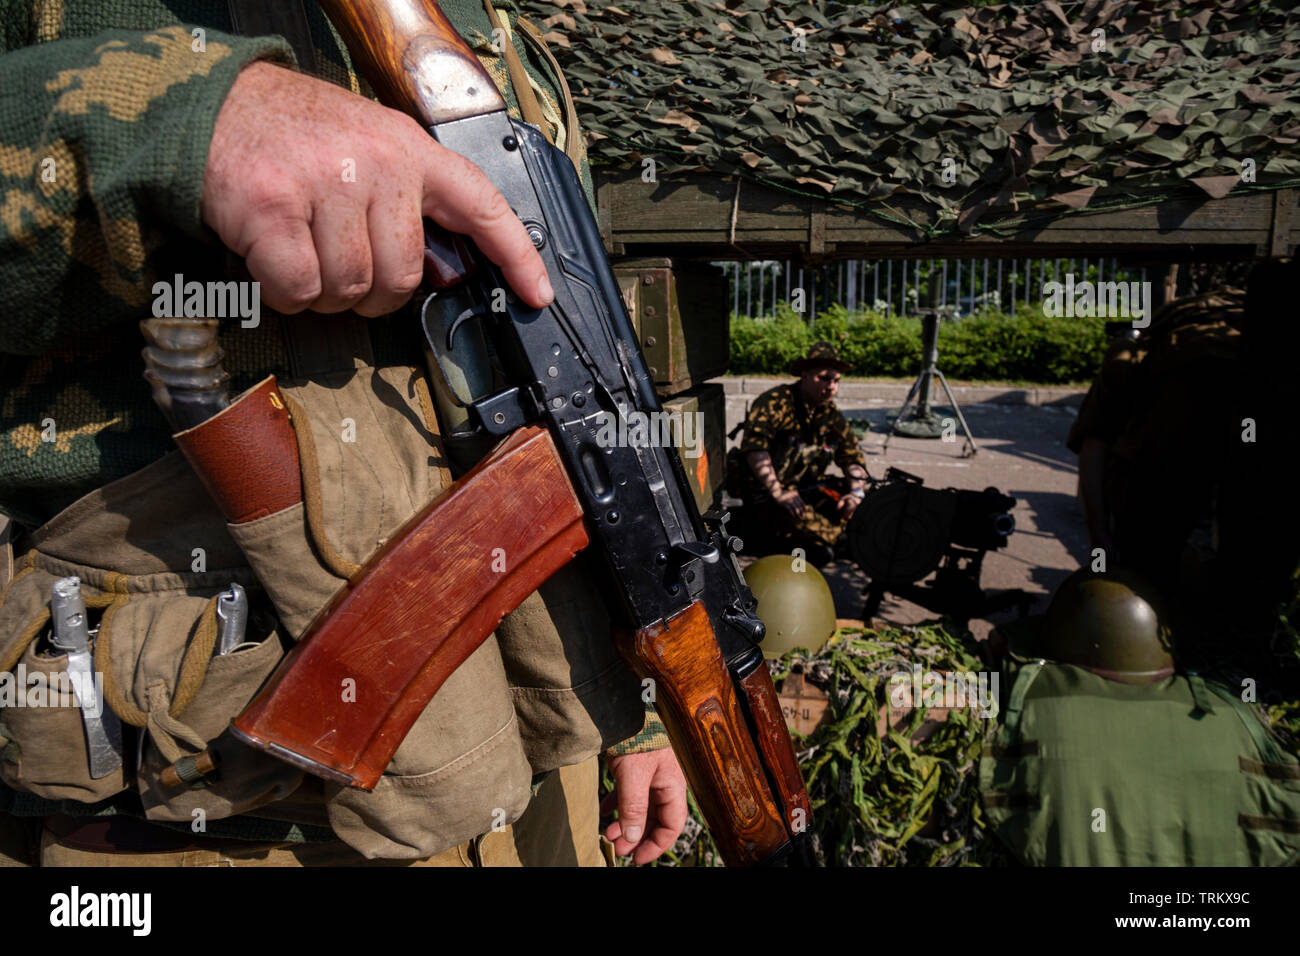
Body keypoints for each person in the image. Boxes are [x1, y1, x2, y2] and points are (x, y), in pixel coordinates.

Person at [0, 1, 684, 867]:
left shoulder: (489, 29)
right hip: (221, 804)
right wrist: (187, 129)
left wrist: (644, 701)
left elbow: (580, 391)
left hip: (536, 756)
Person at [726, 342, 869, 568]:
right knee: (827, 539)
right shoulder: (776, 402)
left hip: (803, 489)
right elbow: (755, 450)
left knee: (863, 504)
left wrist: (856, 493)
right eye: (824, 378)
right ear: (805, 375)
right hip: (767, 493)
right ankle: (763, 534)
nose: (831, 386)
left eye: (836, 381)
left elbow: (851, 457)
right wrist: (778, 491)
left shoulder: (830, 413)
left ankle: (831, 540)